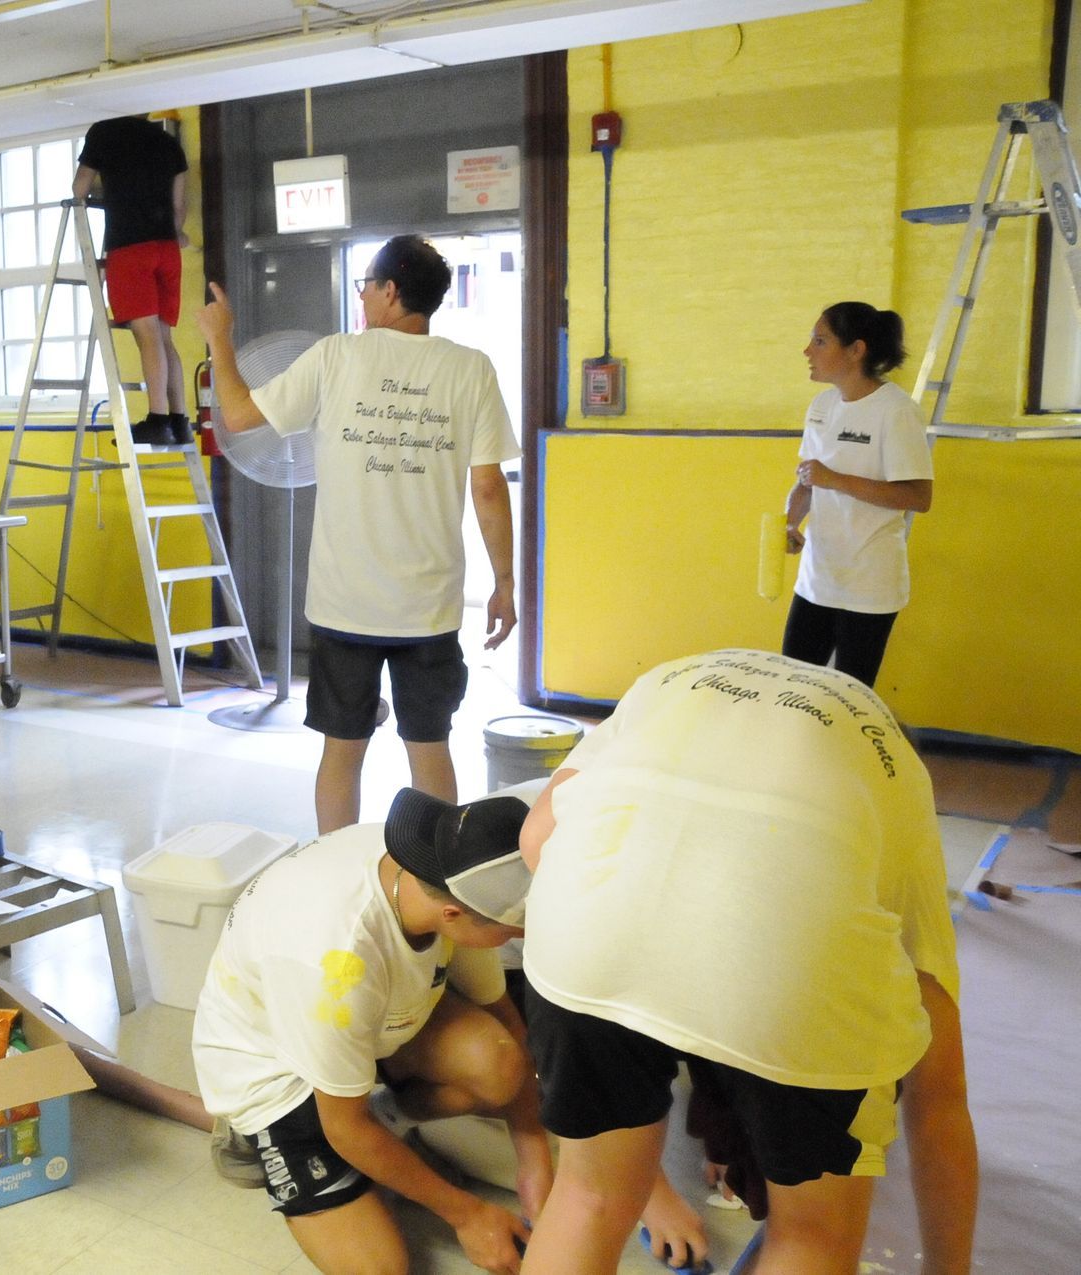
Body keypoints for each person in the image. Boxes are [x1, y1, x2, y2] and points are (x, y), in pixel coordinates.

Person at [514, 649, 978, 1275]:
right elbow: (938, 1090)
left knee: (589, 1197)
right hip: (792, 953)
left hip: (586, 923)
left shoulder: (668, 680)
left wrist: (652, 971)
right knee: (811, 1236)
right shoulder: (893, 765)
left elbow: (536, 841)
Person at [198, 235, 519, 834]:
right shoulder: (470, 369)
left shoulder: (335, 357)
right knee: (431, 747)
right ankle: (435, 876)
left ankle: (335, 870)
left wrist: (219, 338)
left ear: (391, 291)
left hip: (346, 602)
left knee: (342, 751)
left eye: (366, 284)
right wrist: (503, 582)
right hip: (428, 606)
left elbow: (238, 418)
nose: (363, 295)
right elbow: (488, 488)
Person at [191, 788, 552, 1275]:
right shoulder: (333, 958)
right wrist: (468, 1216)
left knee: (500, 1064)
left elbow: (502, 1013)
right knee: (380, 1268)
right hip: (276, 1068)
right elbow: (344, 1126)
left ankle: (384, 1121)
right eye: (511, 932)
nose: (517, 939)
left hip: (372, 1022)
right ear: (453, 914)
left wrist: (533, 1155)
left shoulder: (449, 874)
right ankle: (261, 1138)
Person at [781, 302, 933, 687]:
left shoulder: (896, 411)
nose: (807, 351)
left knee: (849, 699)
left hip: (868, 586)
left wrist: (836, 479)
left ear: (856, 350)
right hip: (817, 580)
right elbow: (808, 480)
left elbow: (918, 496)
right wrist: (790, 521)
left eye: (820, 341)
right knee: (792, 688)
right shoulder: (821, 406)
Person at [73, 113, 192, 447]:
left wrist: (106, 188)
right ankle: (179, 420)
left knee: (147, 335)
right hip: (168, 249)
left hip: (129, 248)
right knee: (164, 338)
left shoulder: (103, 131)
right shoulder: (168, 143)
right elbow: (178, 209)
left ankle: (157, 418)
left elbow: (79, 188)